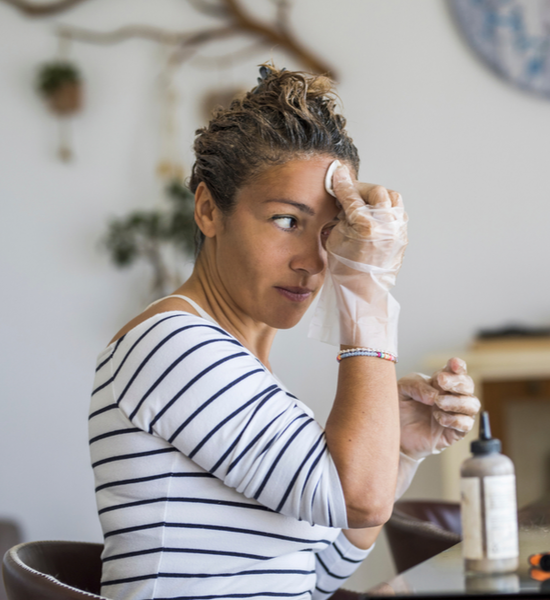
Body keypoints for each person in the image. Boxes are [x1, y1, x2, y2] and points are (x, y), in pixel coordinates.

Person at [88, 64, 480, 600]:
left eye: (328, 232)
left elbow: (314, 576)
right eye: (285, 221)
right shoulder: (173, 346)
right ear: (208, 209)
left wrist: (401, 451)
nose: (314, 261)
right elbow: (358, 498)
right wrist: (365, 290)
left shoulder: (242, 371)